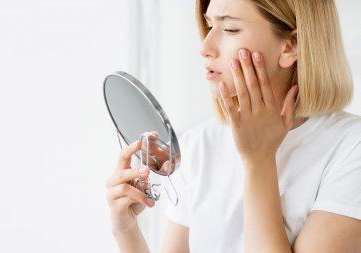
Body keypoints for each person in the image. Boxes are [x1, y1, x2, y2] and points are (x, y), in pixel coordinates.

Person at [106, 0, 361, 252]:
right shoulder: (198, 146)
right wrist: (126, 233)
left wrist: (258, 160)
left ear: (291, 46)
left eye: (229, 29)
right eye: (208, 25)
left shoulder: (351, 149)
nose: (205, 47)